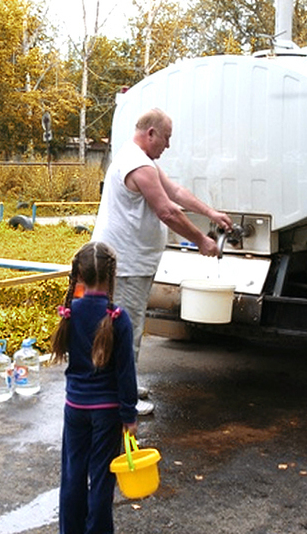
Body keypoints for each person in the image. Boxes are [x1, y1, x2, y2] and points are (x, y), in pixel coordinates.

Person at [91, 107, 233, 414]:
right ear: (150, 133)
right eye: (166, 137)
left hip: (131, 260)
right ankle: (122, 397)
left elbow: (177, 192)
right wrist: (202, 241)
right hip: (124, 263)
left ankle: (124, 381)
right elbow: (167, 211)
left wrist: (210, 213)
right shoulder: (137, 164)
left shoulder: (142, 160)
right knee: (126, 327)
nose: (168, 145)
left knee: (131, 325)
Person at [51, 242, 137, 534]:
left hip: (75, 407)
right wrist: (129, 416)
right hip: (107, 411)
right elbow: (126, 374)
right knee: (100, 476)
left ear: (79, 275)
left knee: (73, 472)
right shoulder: (118, 318)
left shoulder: (70, 313)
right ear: (112, 275)